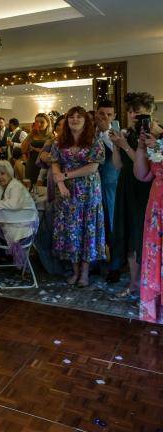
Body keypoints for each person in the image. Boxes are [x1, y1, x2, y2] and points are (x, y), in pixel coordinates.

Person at [51, 106, 106, 287]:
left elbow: (93, 167)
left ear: (85, 121)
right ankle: (75, 271)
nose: (74, 120)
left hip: (89, 191)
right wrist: (60, 182)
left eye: (79, 117)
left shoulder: (94, 140)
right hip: (67, 192)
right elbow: (54, 163)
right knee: (71, 230)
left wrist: (66, 176)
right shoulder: (59, 141)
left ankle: (85, 273)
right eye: (71, 117)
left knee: (86, 230)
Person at [107, 92, 154, 296]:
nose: (133, 115)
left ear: (149, 113)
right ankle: (133, 283)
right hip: (125, 186)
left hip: (144, 189)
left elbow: (143, 165)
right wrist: (117, 145)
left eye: (138, 112)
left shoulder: (153, 135)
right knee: (126, 235)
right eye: (131, 111)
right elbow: (117, 166)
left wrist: (125, 146)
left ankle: (146, 284)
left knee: (140, 236)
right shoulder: (127, 134)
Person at [134, 128, 163, 323]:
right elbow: (142, 174)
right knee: (155, 255)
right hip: (156, 207)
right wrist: (141, 148)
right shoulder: (159, 140)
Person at [94, 100, 120, 250]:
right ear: (96, 114)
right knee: (96, 223)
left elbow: (118, 152)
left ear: (114, 116)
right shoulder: (89, 131)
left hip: (110, 185)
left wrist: (105, 132)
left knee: (111, 221)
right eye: (102, 114)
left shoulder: (118, 132)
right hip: (91, 185)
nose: (105, 117)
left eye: (109, 115)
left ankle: (115, 262)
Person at [22, 113, 52, 186]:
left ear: (47, 123)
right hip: (31, 165)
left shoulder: (51, 136)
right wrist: (31, 133)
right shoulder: (32, 135)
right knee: (30, 191)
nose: (39, 124)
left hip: (44, 167)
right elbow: (23, 149)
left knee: (43, 192)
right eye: (37, 122)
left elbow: (52, 153)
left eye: (42, 122)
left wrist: (35, 149)